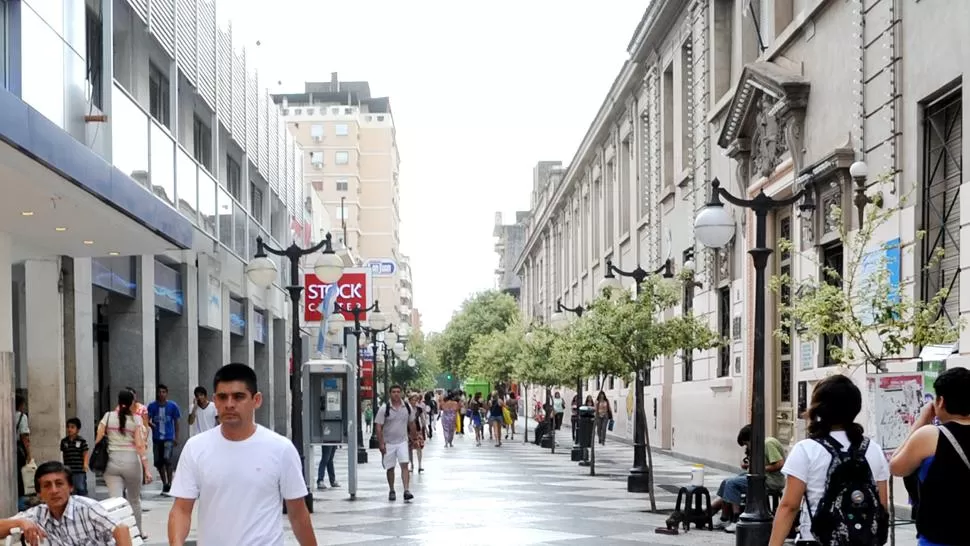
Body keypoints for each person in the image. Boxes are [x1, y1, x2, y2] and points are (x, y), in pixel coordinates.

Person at [168, 363, 317, 546]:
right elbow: (181, 509)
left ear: (256, 400)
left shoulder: (281, 449)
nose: (229, 404)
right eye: (223, 397)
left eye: (239, 397)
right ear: (215, 400)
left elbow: (298, 513)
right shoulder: (195, 448)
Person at [769, 374, 889, 546]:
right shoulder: (873, 449)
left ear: (818, 408)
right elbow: (882, 504)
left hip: (817, 539)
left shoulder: (806, 449)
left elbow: (789, 506)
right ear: (855, 407)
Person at [890, 367, 970, 546]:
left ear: (940, 401)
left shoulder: (930, 436)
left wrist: (920, 422)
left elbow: (895, 466)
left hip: (939, 537)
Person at [0, 461, 133, 545]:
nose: (54, 491)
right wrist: (20, 522)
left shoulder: (86, 508)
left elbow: (121, 529)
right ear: (39, 493)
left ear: (70, 487)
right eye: (47, 486)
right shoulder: (37, 515)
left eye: (59, 484)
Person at [96, 389, 151, 537]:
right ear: (132, 402)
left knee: (115, 502)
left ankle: (117, 534)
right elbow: (140, 445)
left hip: (111, 463)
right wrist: (147, 469)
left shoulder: (107, 417)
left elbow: (98, 438)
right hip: (132, 462)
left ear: (118, 401)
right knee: (134, 500)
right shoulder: (136, 420)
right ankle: (138, 531)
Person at [710, 424, 786, 532]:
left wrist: (759, 469)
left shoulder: (768, 443)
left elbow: (780, 463)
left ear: (751, 439)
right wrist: (749, 466)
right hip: (762, 477)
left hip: (771, 480)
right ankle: (724, 517)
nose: (747, 447)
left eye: (746, 444)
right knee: (726, 482)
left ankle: (736, 519)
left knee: (732, 484)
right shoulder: (761, 446)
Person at [375, 384, 418, 501]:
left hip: (403, 441)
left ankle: (406, 490)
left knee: (405, 464)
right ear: (390, 394)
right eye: (393, 392)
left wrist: (415, 439)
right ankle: (392, 489)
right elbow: (378, 426)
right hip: (389, 442)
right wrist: (381, 443)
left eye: (398, 391)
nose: (396, 394)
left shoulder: (407, 407)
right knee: (390, 468)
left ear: (401, 393)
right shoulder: (384, 408)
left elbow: (412, 423)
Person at [147, 384, 181, 494]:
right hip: (157, 438)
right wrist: (151, 425)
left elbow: (176, 422)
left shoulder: (172, 406)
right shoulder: (152, 406)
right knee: (159, 461)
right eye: (159, 392)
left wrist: (176, 436)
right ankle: (164, 483)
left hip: (168, 437)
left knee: (167, 459)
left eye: (163, 392)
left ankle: (170, 482)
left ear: (167, 393)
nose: (161, 394)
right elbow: (146, 419)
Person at [60, 417, 90, 497]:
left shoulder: (81, 441)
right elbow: (64, 454)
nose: (70, 429)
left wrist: (85, 464)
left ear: (78, 429)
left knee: (81, 487)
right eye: (68, 427)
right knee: (70, 488)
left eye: (72, 427)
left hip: (79, 469)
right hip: (68, 469)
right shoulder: (64, 441)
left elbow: (85, 453)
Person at [14, 395, 30, 510]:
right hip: (17, 448)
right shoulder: (21, 417)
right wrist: (29, 453)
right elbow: (24, 436)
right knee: (20, 477)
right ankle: (20, 503)